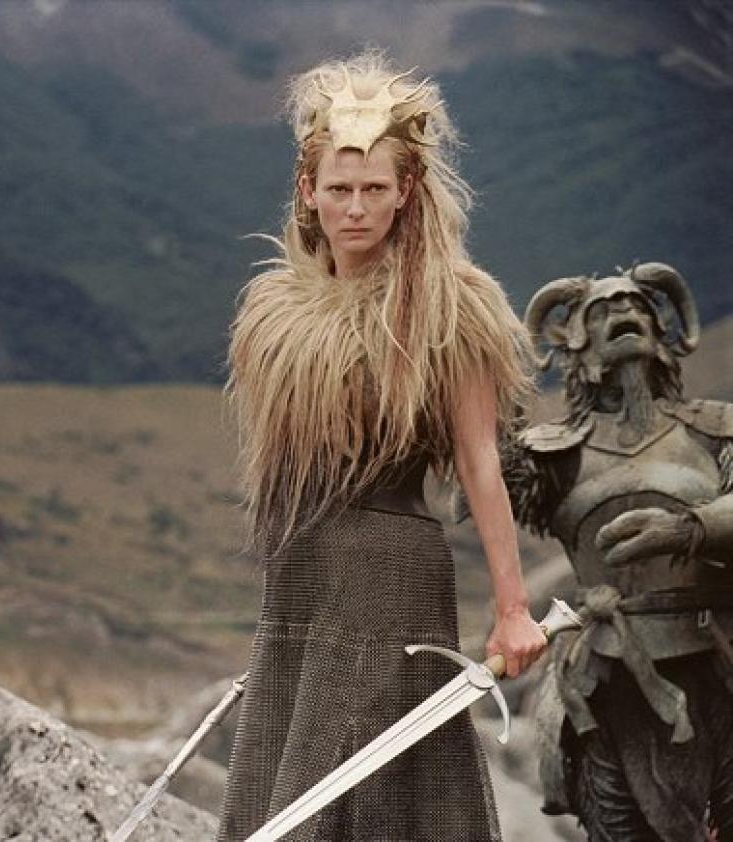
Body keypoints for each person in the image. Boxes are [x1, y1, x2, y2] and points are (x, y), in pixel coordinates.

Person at [218, 52, 547, 841]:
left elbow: (479, 463)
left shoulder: (450, 308)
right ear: (308, 191)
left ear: (406, 191)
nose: (356, 208)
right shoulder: (275, 313)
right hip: (299, 570)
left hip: (390, 571)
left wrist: (513, 611)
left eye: (374, 189)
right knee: (287, 785)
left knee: (366, 797)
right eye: (340, 189)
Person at [511, 263, 733, 841]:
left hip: (717, 655)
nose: (625, 314)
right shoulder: (552, 456)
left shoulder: (715, 429)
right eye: (603, 312)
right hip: (607, 673)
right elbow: (476, 491)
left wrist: (688, 528)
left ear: (661, 334)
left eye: (637, 306)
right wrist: (503, 399)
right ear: (576, 347)